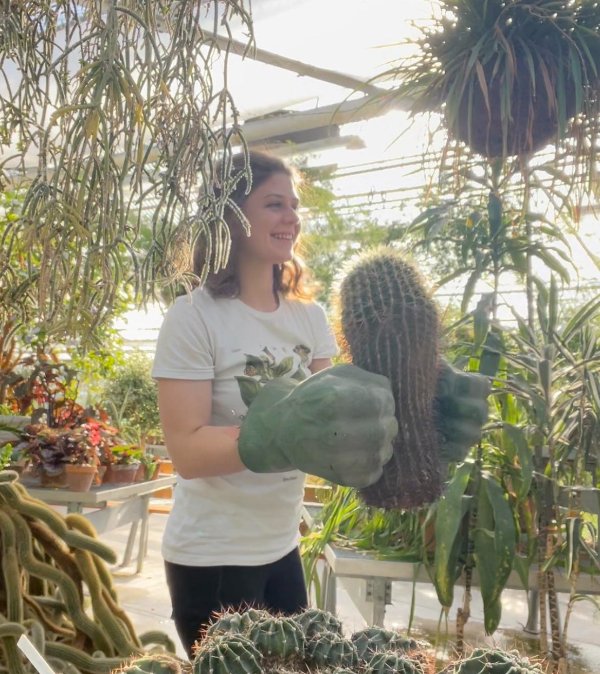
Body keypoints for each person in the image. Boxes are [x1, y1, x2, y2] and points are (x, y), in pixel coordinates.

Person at [151, 150, 489, 658]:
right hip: (211, 557)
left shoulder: (307, 318)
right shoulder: (193, 317)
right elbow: (188, 453)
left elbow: (340, 428)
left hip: (284, 548)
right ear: (230, 217)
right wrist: (279, 430)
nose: (292, 218)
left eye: (293, 204)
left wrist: (427, 401)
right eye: (273, 204)